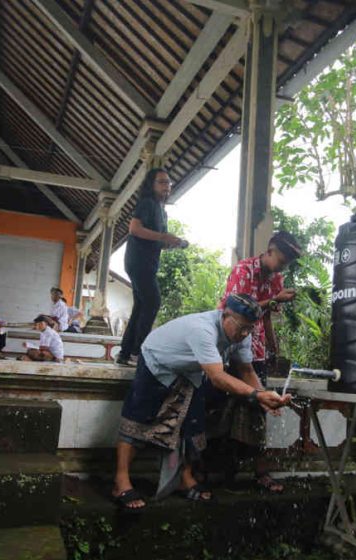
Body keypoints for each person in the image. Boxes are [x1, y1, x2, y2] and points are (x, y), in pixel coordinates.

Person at [112, 294, 291, 511]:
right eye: (241, 327)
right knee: (137, 421)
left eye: (249, 329)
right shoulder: (202, 329)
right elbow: (217, 376)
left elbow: (246, 369)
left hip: (192, 372)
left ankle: (183, 479)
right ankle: (120, 481)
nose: (244, 334)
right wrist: (256, 395)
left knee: (192, 425)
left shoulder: (242, 334)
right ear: (225, 315)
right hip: (158, 363)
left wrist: (263, 397)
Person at [207, 231, 302, 493]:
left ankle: (261, 471)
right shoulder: (244, 270)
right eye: (280, 261)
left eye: (285, 265)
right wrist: (275, 299)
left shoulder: (276, 277)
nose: (281, 268)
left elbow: (267, 315)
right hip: (232, 344)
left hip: (255, 350)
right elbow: (234, 309)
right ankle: (222, 471)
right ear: (269, 251)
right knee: (226, 406)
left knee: (259, 407)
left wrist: (272, 343)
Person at [115, 168, 185, 366]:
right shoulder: (147, 203)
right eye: (161, 182)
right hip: (139, 261)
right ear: (151, 185)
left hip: (146, 263)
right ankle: (138, 352)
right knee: (153, 302)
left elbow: (156, 240)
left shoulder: (161, 211)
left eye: (168, 182)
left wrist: (171, 243)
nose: (166, 186)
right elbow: (134, 229)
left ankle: (125, 353)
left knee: (141, 306)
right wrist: (164, 237)